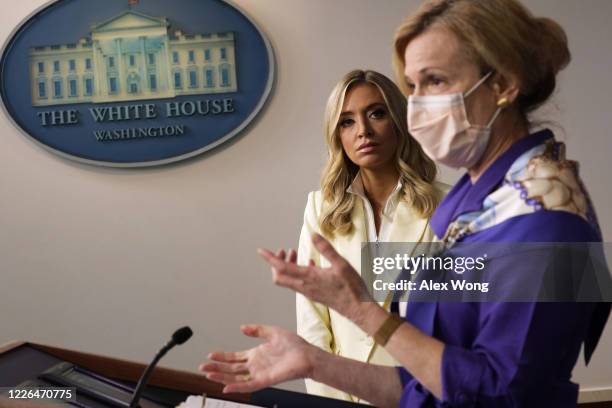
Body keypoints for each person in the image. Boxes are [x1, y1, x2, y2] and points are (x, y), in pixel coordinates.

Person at [200, 1, 611, 407]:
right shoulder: (475, 207)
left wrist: (362, 311)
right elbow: (430, 386)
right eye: (412, 87)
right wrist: (314, 363)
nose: (417, 106)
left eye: (434, 81)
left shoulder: (549, 221)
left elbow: (499, 395)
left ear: (503, 83)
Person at [296, 69, 447, 403]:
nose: (363, 131)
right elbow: (313, 324)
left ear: (399, 121)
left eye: (376, 114)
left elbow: (459, 323)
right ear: (337, 135)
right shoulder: (320, 209)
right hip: (343, 394)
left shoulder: (449, 206)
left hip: (423, 394)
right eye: (347, 121)